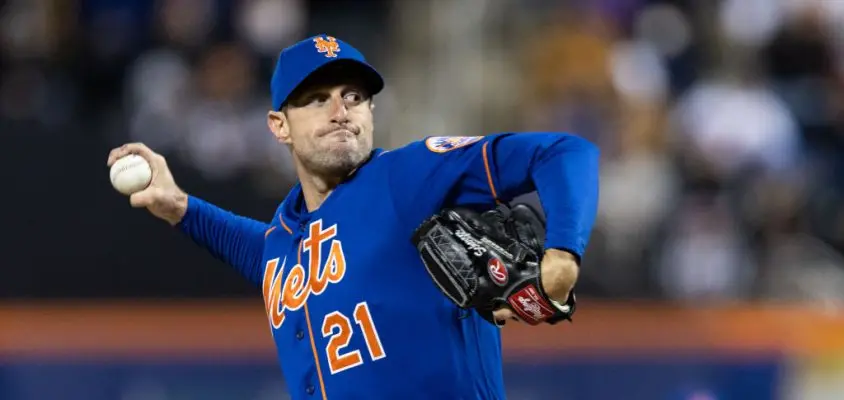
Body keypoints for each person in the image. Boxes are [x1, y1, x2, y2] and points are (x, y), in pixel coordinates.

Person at [108, 34, 600, 400]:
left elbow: (565, 153)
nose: (340, 111)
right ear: (279, 125)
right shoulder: (286, 236)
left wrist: (563, 253)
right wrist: (181, 208)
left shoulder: (407, 176)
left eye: (354, 96)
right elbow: (260, 250)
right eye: (317, 99)